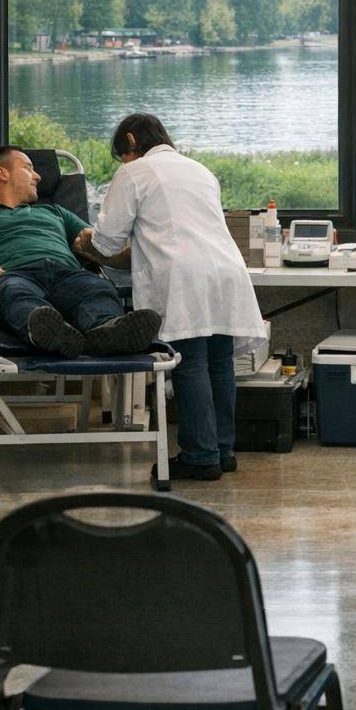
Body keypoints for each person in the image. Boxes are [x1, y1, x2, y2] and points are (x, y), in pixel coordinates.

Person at [77, 114, 267, 483]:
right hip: (226, 270)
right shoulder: (200, 170)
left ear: (131, 141)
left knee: (190, 362)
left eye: (123, 154)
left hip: (184, 275)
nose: (124, 162)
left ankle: (200, 457)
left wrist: (84, 242)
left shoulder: (135, 173)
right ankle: (223, 450)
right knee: (219, 363)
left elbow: (107, 241)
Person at [0, 146, 161, 357]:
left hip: (66, 275)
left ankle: (106, 331)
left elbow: (99, 248)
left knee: (97, 288)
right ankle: (45, 330)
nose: (38, 176)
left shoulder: (55, 212)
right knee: (15, 294)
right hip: (9, 274)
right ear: (2, 173)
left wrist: (139, 254)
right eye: (28, 168)